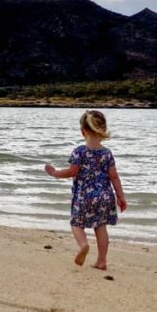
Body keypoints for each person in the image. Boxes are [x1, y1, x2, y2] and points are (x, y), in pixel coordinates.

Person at [44, 110, 127, 270]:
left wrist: (54, 173)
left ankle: (83, 245)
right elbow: (114, 177)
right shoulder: (107, 153)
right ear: (102, 130)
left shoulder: (80, 151)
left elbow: (72, 171)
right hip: (104, 196)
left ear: (82, 131)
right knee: (101, 227)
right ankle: (102, 261)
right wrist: (121, 197)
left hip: (84, 196)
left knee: (76, 224)